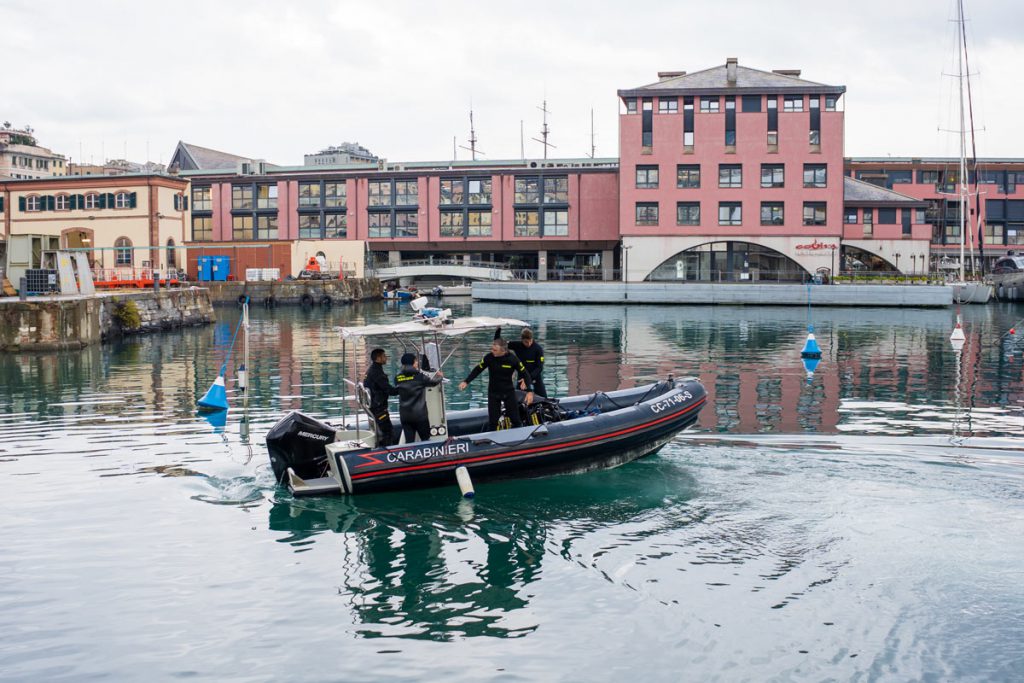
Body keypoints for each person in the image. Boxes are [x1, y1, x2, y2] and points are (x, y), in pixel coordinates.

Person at [458, 338, 534, 431]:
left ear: (503, 350)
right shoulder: (489, 357)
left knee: (515, 420)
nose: (492, 351)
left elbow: (525, 374)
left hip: (508, 392)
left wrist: (530, 391)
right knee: (493, 422)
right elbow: (478, 369)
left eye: (495, 350)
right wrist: (466, 381)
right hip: (494, 393)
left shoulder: (513, 359)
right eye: (492, 349)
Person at [395, 352, 443, 444]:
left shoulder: (397, 378)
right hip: (420, 415)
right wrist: (440, 376)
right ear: (413, 363)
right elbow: (433, 382)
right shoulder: (420, 377)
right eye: (416, 361)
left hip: (405, 416)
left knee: (409, 442)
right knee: (425, 440)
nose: (417, 363)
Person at [496, 327, 547, 397]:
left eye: (530, 341)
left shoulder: (538, 349)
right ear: (522, 340)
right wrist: (498, 330)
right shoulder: (517, 345)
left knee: (544, 399)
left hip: (535, 378)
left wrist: (528, 379)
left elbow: (539, 367)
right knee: (517, 400)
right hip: (522, 379)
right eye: (526, 342)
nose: (529, 343)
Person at [363, 348, 399, 446]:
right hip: (379, 408)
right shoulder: (377, 373)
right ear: (378, 358)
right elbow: (389, 390)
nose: (386, 358)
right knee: (388, 433)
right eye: (384, 356)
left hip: (374, 406)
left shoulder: (371, 370)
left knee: (384, 432)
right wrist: (402, 388)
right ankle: (387, 454)